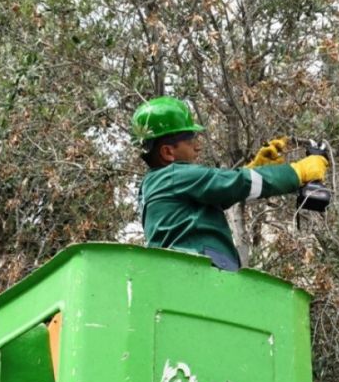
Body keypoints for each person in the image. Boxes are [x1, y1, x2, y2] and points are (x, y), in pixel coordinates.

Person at [133, 96, 328, 271]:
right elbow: (235, 184)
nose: (198, 146)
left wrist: (255, 168)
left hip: (177, 274)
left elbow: (220, 193)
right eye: (190, 140)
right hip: (199, 272)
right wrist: (298, 172)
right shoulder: (176, 176)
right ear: (168, 152)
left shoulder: (153, 183)